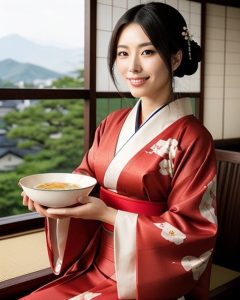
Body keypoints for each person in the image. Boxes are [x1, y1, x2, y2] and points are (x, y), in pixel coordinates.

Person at [21, 2, 217, 300]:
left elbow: (192, 228)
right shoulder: (113, 122)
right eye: (123, 53)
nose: (132, 66)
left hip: (148, 276)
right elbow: (83, 178)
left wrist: (108, 214)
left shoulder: (193, 137)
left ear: (176, 58)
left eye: (147, 51)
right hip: (95, 263)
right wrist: (52, 196)